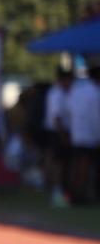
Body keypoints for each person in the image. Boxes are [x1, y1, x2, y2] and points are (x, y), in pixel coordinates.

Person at [66, 68, 100, 205]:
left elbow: (69, 110)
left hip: (77, 133)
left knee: (77, 165)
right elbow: (96, 117)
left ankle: (74, 193)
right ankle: (80, 194)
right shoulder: (95, 93)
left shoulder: (78, 91)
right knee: (84, 166)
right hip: (89, 136)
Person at [44, 65, 74, 207]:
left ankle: (59, 192)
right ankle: (56, 193)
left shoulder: (63, 93)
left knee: (60, 164)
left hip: (60, 132)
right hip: (58, 132)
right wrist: (62, 136)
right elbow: (56, 118)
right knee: (58, 164)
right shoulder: (57, 94)